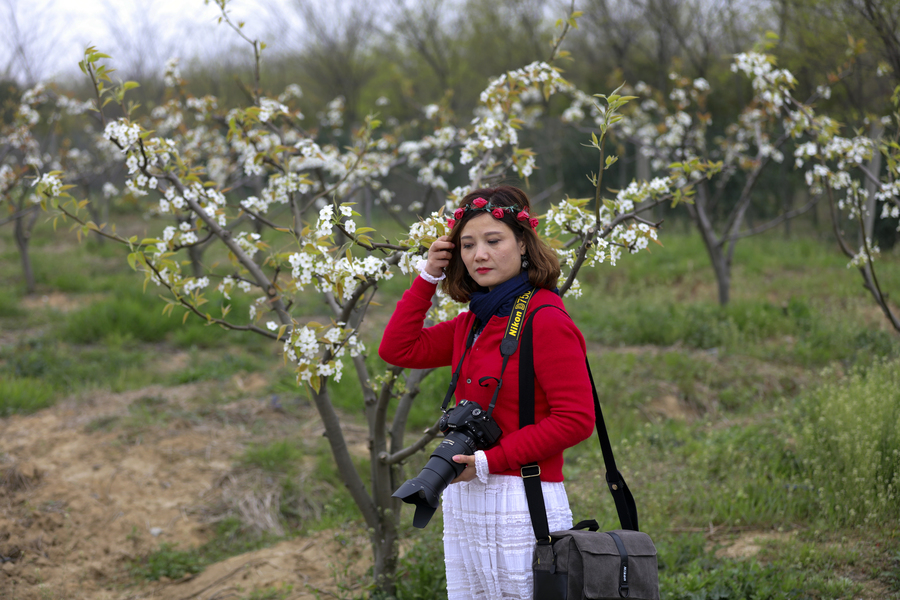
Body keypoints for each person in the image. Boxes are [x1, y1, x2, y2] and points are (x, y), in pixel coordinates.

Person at [379, 185, 595, 600]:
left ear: (523, 245)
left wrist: (488, 461)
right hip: (467, 499)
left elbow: (576, 419)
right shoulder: (473, 323)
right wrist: (427, 277)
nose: (479, 254)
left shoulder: (544, 319)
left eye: (493, 241)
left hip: (522, 499)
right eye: (467, 244)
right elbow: (397, 349)